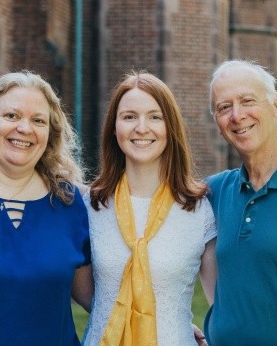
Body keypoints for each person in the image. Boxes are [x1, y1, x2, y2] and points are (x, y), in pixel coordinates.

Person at [0, 71, 93, 345]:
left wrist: (170, 321)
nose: (24, 128)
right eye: (12, 116)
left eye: (38, 120)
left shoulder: (71, 205)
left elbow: (101, 299)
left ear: (49, 134)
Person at [81, 71, 217, 346]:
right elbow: (88, 295)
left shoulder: (199, 208)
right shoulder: (90, 205)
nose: (141, 127)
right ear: (114, 127)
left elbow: (221, 305)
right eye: (129, 116)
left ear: (170, 127)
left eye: (155, 117)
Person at [204, 60, 277, 345]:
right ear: (217, 121)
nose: (237, 115)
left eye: (247, 101)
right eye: (224, 107)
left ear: (275, 105)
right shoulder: (212, 192)